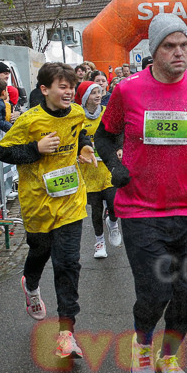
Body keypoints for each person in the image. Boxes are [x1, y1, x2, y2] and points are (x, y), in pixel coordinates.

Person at [94, 14, 187, 373]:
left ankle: (168, 355)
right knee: (155, 290)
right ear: (154, 50)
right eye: (170, 46)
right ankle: (142, 345)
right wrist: (114, 167)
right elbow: (103, 138)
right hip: (140, 208)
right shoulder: (127, 91)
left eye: (184, 45)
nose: (179, 53)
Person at [0, 62, 97, 359]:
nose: (68, 92)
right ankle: (31, 283)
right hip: (38, 202)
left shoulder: (78, 113)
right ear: (45, 90)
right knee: (40, 250)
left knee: (67, 262)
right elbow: (2, 151)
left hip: (70, 200)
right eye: (62, 87)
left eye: (71, 87)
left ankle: (66, 333)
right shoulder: (30, 120)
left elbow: (80, 134)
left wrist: (86, 146)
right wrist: (35, 149)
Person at [75, 80, 121, 259]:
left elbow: (117, 133)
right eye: (93, 93)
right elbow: (75, 140)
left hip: (107, 168)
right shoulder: (78, 117)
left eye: (99, 92)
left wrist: (119, 148)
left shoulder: (106, 113)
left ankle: (113, 224)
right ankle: (99, 242)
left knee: (114, 203)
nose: (98, 96)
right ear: (85, 97)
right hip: (89, 170)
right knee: (94, 210)